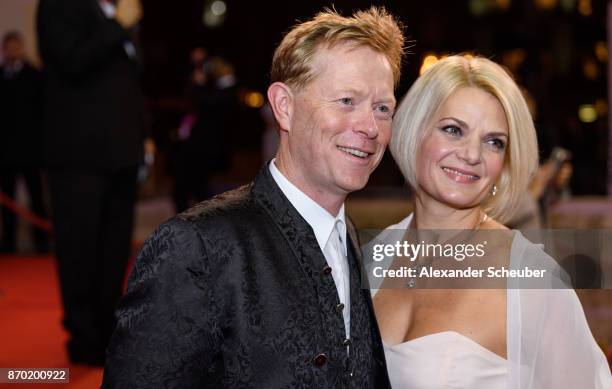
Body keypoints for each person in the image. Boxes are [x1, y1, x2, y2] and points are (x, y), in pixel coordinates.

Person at [103, 7, 404, 388]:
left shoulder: (349, 241)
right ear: (284, 106)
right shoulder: (195, 248)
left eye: (382, 109)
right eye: (347, 101)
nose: (369, 127)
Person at [373, 55, 611, 388]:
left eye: (493, 142)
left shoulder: (531, 281)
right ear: (414, 131)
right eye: (453, 130)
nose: (472, 155)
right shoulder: (370, 257)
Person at [37, 0, 148, 365]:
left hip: (121, 152)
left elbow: (130, 82)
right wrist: (118, 23)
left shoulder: (117, 13)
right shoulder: (60, 6)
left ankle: (107, 331)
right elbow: (72, 61)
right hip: (78, 155)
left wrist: (143, 136)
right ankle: (83, 338)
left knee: (114, 249)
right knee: (80, 248)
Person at [0, 31, 48, 253]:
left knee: (36, 198)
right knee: (7, 202)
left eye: (16, 46)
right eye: (9, 46)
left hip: (30, 150)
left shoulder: (34, 75)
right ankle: (8, 244)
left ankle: (42, 244)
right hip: (6, 152)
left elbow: (42, 112)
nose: (13, 50)